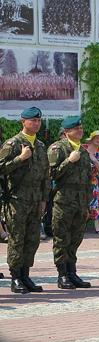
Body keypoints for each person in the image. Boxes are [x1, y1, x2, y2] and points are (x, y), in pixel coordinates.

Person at [0, 106, 50, 294]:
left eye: (38, 121)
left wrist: (44, 199)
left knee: (32, 239)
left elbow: (46, 175)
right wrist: (20, 159)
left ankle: (25, 274)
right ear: (23, 122)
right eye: (32, 121)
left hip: (35, 200)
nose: (36, 123)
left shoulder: (40, 146)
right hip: (16, 200)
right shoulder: (12, 144)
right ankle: (15, 278)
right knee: (17, 239)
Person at [48, 116, 92, 289]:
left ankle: (72, 272)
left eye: (81, 128)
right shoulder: (57, 148)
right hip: (63, 202)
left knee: (75, 239)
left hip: (80, 203)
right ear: (66, 132)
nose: (80, 131)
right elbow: (50, 175)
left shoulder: (82, 150)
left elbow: (88, 180)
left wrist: (87, 204)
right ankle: (62, 275)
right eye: (76, 129)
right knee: (61, 239)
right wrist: (68, 161)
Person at [83, 130, 99, 234]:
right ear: (92, 139)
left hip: (95, 181)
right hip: (82, 180)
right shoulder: (83, 149)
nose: (98, 140)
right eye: (96, 137)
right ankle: (82, 223)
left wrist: (93, 159)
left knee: (97, 200)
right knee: (82, 201)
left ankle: (96, 224)